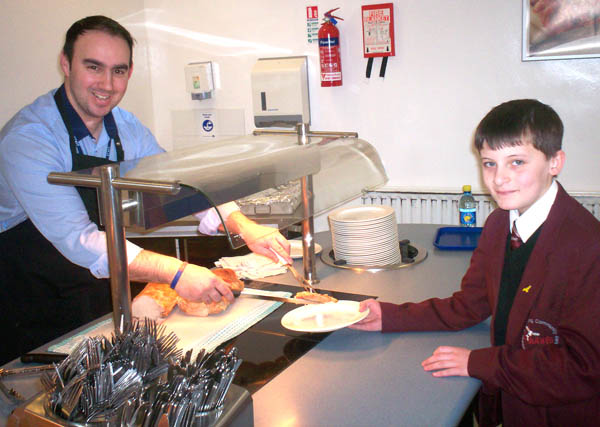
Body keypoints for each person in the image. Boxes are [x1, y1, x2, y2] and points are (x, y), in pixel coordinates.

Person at [0, 15, 291, 365]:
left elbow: (178, 185)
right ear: (66, 63)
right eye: (94, 67)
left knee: (98, 378)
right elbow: (78, 239)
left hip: (93, 282)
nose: (106, 84)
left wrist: (243, 225)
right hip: (27, 290)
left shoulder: (124, 126)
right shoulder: (30, 138)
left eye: (118, 71)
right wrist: (178, 273)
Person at [350, 99, 600, 425]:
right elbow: (469, 305)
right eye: (489, 163)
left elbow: (583, 368)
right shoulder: (499, 224)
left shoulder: (587, 245)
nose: (499, 179)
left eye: (517, 162)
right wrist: (390, 316)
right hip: (512, 403)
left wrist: (480, 363)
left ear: (555, 162)